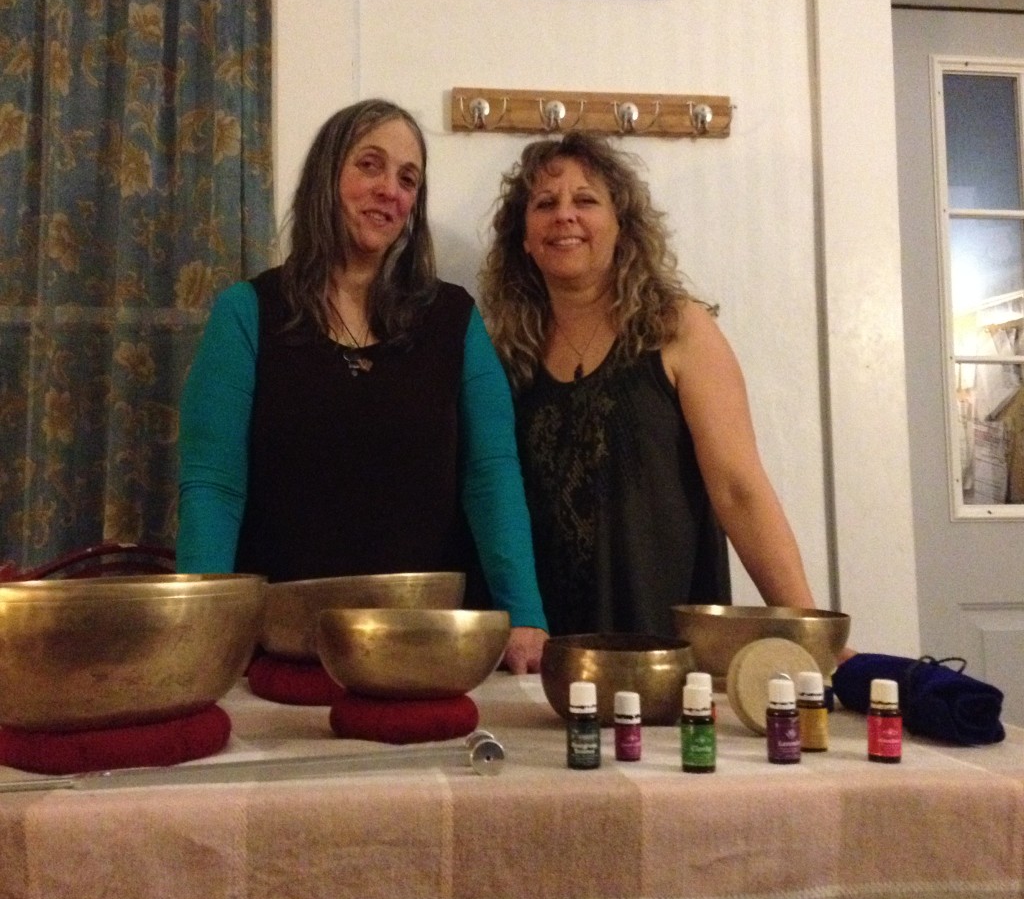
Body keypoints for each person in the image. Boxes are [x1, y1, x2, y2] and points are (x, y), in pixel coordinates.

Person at [177, 99, 548, 673]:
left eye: (408, 179)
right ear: (328, 176)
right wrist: (203, 632)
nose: (390, 190)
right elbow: (213, 489)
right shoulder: (246, 314)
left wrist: (524, 614)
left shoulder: (454, 319)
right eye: (369, 165)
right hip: (284, 651)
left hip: (425, 649)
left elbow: (492, 475)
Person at [479, 131, 818, 639]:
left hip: (667, 653)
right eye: (545, 203)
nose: (564, 215)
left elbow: (739, 490)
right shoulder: (506, 357)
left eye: (586, 200)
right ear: (524, 239)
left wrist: (811, 632)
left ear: (621, 226)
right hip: (548, 656)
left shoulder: (678, 329)